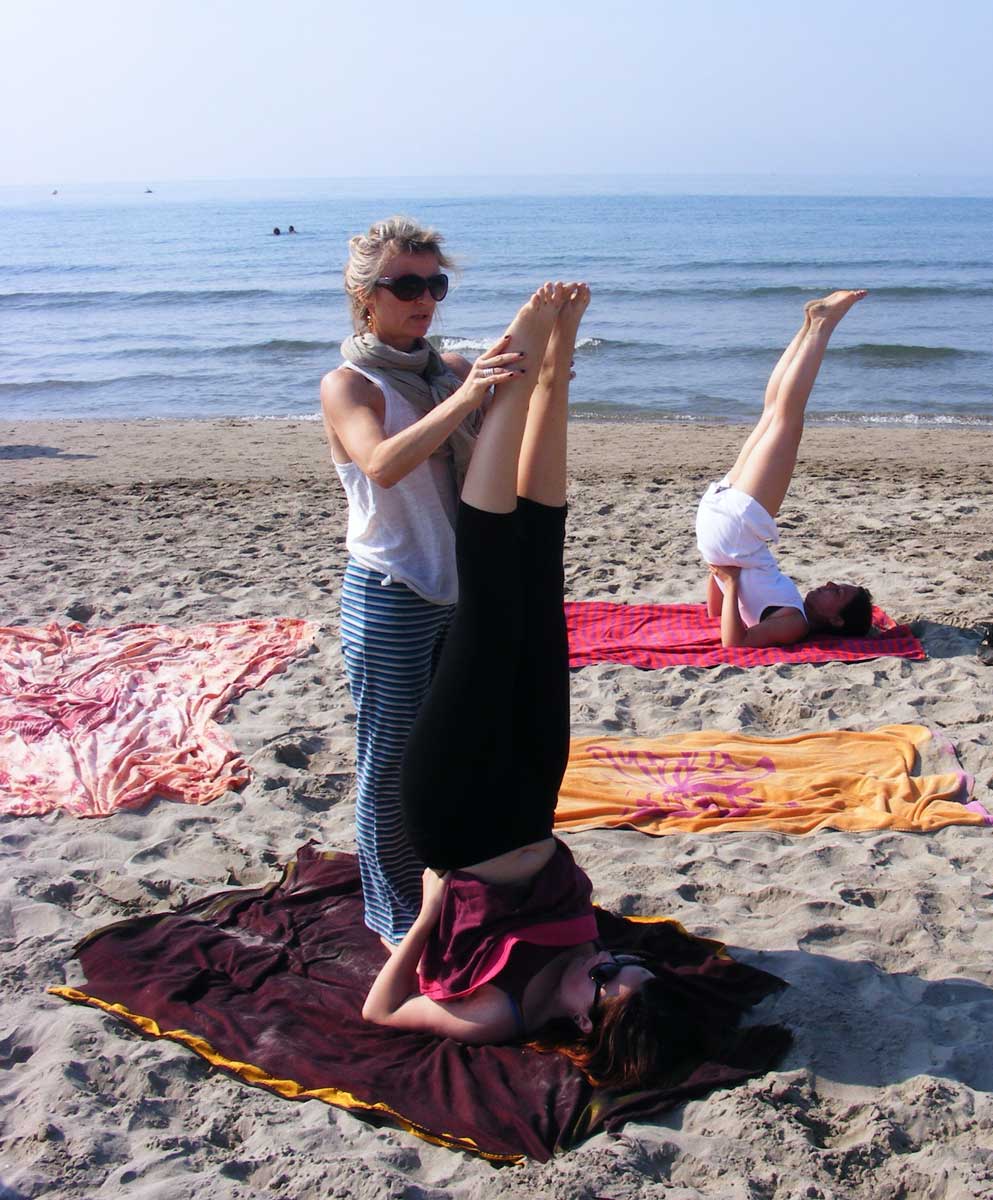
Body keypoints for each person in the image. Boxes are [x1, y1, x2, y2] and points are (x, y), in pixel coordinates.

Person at [362, 282, 704, 1088]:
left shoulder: (498, 1015)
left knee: (489, 593)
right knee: (540, 566)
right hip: (532, 795)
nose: (605, 955)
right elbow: (592, 948)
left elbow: (381, 1011)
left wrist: (427, 917)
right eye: (625, 963)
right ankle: (554, 368)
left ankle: (510, 373)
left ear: (585, 1019)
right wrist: (599, 953)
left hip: (457, 816)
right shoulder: (588, 955)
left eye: (605, 976)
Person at [321, 215, 519, 947]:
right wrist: (468, 400)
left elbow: (501, 447)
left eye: (434, 284)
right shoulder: (351, 384)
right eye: (407, 285)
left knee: (452, 752)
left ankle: (448, 891)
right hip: (392, 592)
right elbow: (382, 463)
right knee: (391, 762)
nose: (425, 299)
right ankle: (394, 918)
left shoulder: (449, 372)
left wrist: (513, 374)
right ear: (366, 295)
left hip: (457, 589)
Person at [697, 290, 874, 649]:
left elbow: (735, 643)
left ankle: (820, 325)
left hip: (733, 531)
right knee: (774, 414)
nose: (827, 584)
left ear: (836, 620)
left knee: (787, 420)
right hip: (716, 524)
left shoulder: (796, 624)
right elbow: (714, 613)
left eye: (836, 592)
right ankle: (809, 325)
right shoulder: (787, 606)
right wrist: (721, 572)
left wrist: (730, 584)